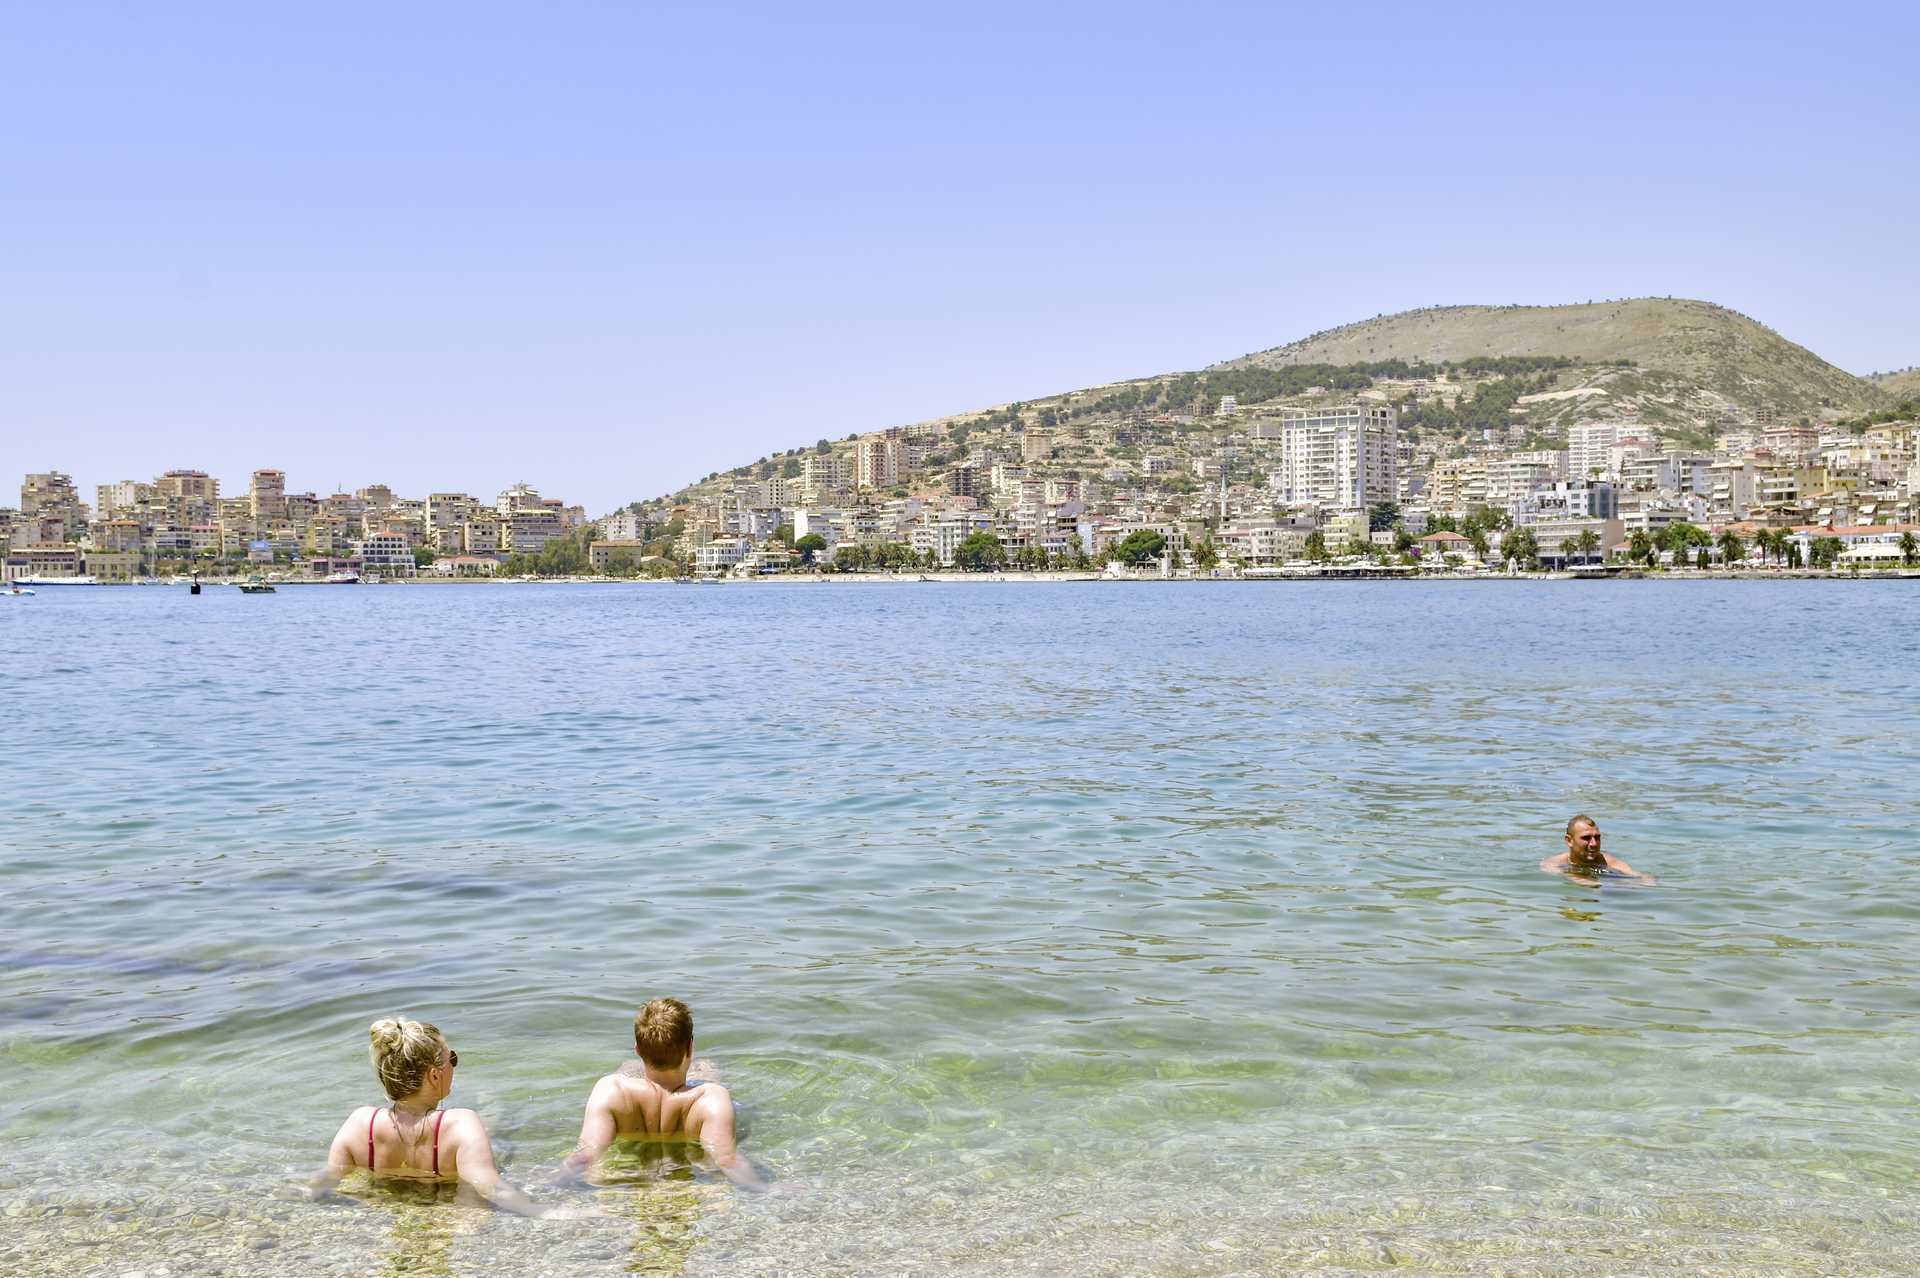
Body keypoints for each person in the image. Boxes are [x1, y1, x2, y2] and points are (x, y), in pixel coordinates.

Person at [313, 1016, 575, 1216]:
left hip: (391, 1213)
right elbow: (491, 1188)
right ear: (434, 1075)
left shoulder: (360, 1123)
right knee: (497, 1136)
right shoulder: (462, 1123)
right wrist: (549, 1212)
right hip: (451, 1215)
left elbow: (327, 1179)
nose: (454, 1067)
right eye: (453, 1059)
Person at [557, 997, 762, 1190]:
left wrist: (555, 1184)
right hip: (689, 1167)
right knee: (708, 1069)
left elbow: (585, 1154)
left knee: (626, 1069)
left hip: (633, 1174)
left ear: (638, 1050)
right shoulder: (711, 1098)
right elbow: (727, 1159)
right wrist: (764, 1188)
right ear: (690, 1047)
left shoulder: (610, 1090)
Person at [1540, 814, 1653, 884]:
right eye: (1586, 838)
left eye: (1597, 837)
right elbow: (1568, 877)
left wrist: (1645, 881)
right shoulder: (1553, 863)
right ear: (1569, 840)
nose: (1594, 844)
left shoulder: (1608, 861)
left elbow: (1639, 877)